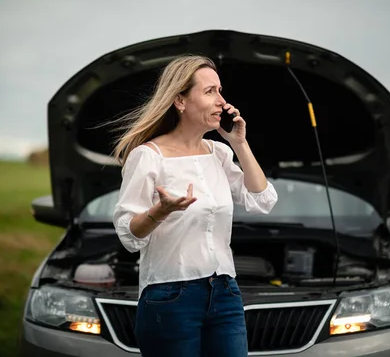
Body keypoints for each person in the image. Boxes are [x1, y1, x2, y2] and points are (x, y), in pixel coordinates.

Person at [111, 54, 278, 357]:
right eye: (210, 91)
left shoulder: (219, 152)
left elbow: (261, 199)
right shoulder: (148, 157)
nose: (222, 101)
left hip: (226, 291)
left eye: (220, 90)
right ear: (180, 101)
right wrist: (159, 211)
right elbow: (129, 234)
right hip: (170, 296)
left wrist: (240, 143)